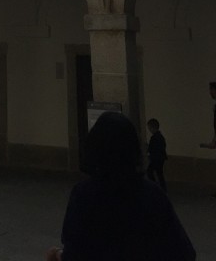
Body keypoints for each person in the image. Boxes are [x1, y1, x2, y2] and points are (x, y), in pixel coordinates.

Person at [45, 111, 196, 260]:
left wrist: (58, 254)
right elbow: (183, 252)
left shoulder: (84, 195)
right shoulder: (153, 194)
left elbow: (75, 253)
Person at [146, 117, 167, 192]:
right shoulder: (160, 137)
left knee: (150, 171)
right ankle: (162, 187)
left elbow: (153, 148)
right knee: (159, 173)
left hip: (156, 158)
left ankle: (156, 187)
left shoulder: (155, 137)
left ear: (152, 127)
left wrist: (149, 152)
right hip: (160, 158)